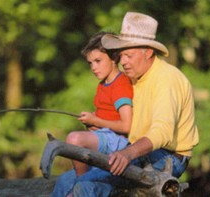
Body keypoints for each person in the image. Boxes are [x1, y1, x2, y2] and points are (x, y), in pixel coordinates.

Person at [63, 12, 199, 197]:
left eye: (129, 55)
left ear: (148, 52)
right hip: (137, 149)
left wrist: (128, 153)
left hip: (167, 156)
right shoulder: (134, 76)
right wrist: (100, 123)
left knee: (88, 184)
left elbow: (162, 132)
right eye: (121, 56)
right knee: (67, 181)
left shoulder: (167, 79)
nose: (123, 62)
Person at [51, 31, 133, 196]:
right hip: (105, 136)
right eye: (90, 63)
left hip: (119, 142)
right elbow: (107, 114)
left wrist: (97, 120)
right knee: (62, 181)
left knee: (74, 139)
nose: (93, 67)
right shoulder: (103, 84)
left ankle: (82, 181)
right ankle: (82, 180)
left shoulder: (121, 84)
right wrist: (93, 120)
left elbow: (127, 125)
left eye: (98, 61)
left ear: (113, 58)